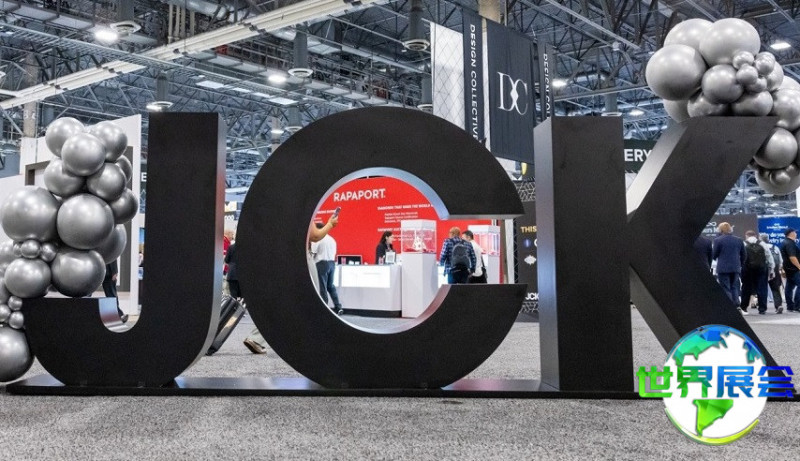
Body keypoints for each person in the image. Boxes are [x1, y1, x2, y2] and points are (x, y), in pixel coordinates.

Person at [311, 224, 343, 315]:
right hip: (332, 264)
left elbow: (313, 252)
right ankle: (338, 307)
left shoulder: (318, 238)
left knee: (322, 287)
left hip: (321, 264)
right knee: (330, 286)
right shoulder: (332, 239)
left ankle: (324, 310)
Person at [739, 230, 773, 315]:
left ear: (746, 236)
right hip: (761, 268)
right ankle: (762, 308)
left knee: (746, 287)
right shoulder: (762, 244)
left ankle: (744, 307)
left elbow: (740, 256)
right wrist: (771, 268)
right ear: (756, 236)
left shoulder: (743, 243)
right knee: (762, 287)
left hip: (747, 269)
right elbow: (769, 256)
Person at [712, 222, 746, 306]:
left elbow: (714, 255)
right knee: (734, 286)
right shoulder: (739, 240)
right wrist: (740, 264)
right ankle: (736, 304)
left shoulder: (718, 240)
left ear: (720, 230)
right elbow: (744, 255)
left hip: (723, 268)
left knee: (725, 287)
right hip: (735, 267)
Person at [760, 233, 784, 313]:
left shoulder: (760, 247)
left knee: (762, 288)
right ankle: (778, 305)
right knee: (775, 288)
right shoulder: (775, 247)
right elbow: (780, 261)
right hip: (774, 270)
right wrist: (779, 269)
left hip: (763, 270)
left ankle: (762, 307)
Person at [781, 228, 800, 313]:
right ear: (791, 233)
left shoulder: (784, 242)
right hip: (794, 269)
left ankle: (790, 306)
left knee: (789, 287)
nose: (796, 234)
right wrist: (799, 267)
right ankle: (797, 306)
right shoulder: (790, 243)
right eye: (795, 232)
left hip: (788, 269)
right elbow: (792, 257)